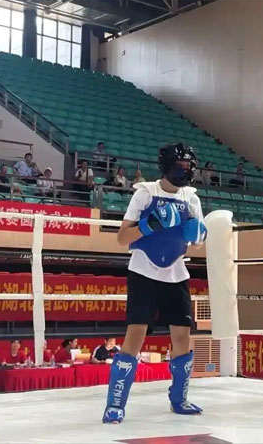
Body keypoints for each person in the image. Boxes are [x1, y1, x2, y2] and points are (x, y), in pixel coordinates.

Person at [102, 142, 206, 424]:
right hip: (143, 272)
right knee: (135, 335)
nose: (185, 171)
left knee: (182, 337)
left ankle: (179, 399)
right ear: (167, 165)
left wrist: (197, 236)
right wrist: (149, 226)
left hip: (176, 273)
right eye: (181, 165)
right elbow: (122, 238)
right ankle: (115, 404)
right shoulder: (145, 193)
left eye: (189, 166)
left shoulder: (191, 198)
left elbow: (195, 243)